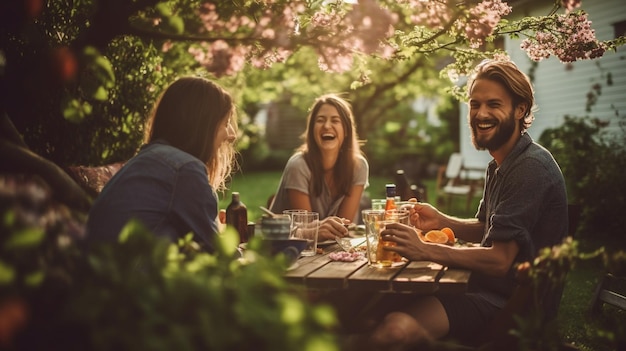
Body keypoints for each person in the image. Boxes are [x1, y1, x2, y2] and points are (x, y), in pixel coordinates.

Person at [350, 59, 568, 350]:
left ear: (520, 110)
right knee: (369, 309)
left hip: (509, 307)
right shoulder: (503, 164)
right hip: (481, 288)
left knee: (394, 331)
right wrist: (441, 221)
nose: (481, 113)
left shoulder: (530, 167)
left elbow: (500, 259)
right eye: (475, 104)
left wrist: (424, 248)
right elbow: (487, 229)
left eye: (493, 104)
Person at [86, 77, 237, 252]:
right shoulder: (184, 169)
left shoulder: (153, 160)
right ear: (201, 124)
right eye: (225, 123)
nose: (231, 135)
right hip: (128, 276)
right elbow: (217, 254)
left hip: (101, 272)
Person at [269, 94, 369, 241]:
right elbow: (307, 230)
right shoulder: (298, 165)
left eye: (335, 120)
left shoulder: (359, 166)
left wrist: (329, 230)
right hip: (287, 250)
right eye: (320, 120)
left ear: (346, 130)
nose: (327, 126)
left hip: (328, 251)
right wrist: (322, 229)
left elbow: (342, 229)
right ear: (312, 129)